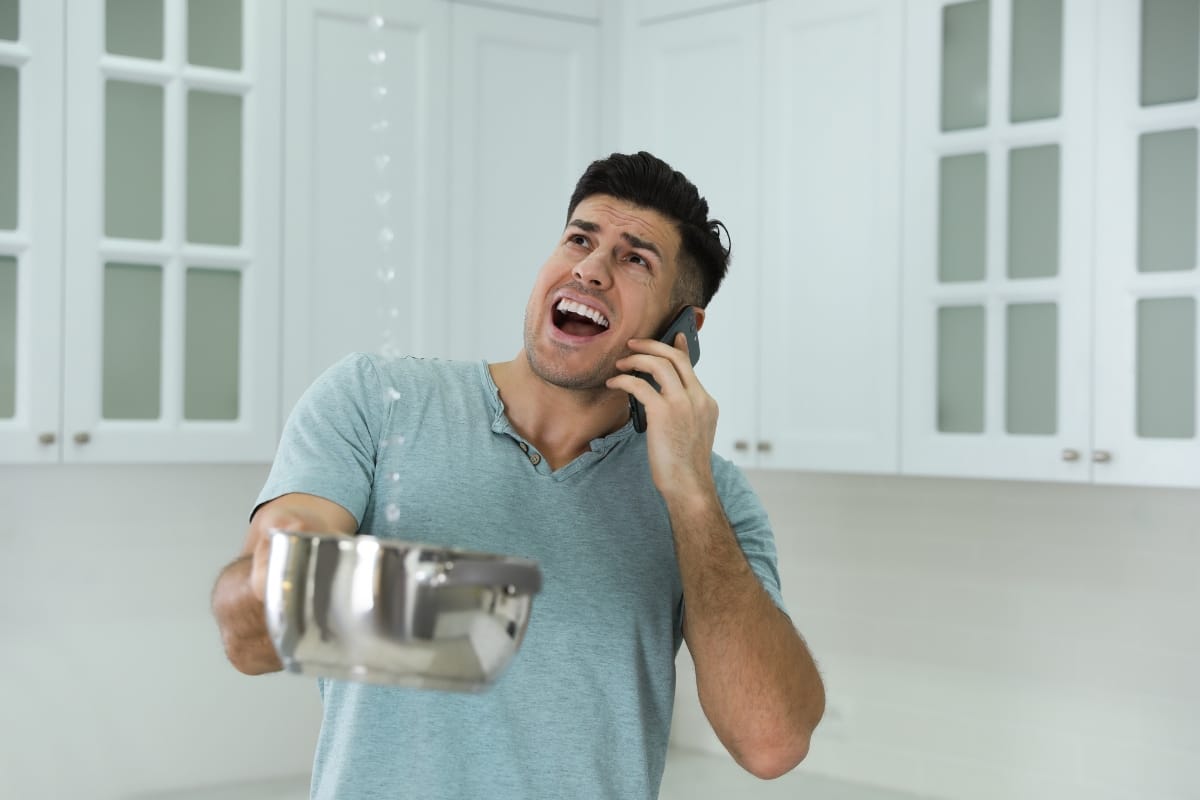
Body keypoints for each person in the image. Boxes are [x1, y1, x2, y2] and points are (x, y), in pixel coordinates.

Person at [211, 151, 825, 799]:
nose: (590, 269)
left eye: (634, 258)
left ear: (682, 332)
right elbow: (249, 642)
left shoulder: (712, 496)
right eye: (580, 239)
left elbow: (771, 742)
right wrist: (287, 562)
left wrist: (690, 497)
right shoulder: (376, 401)